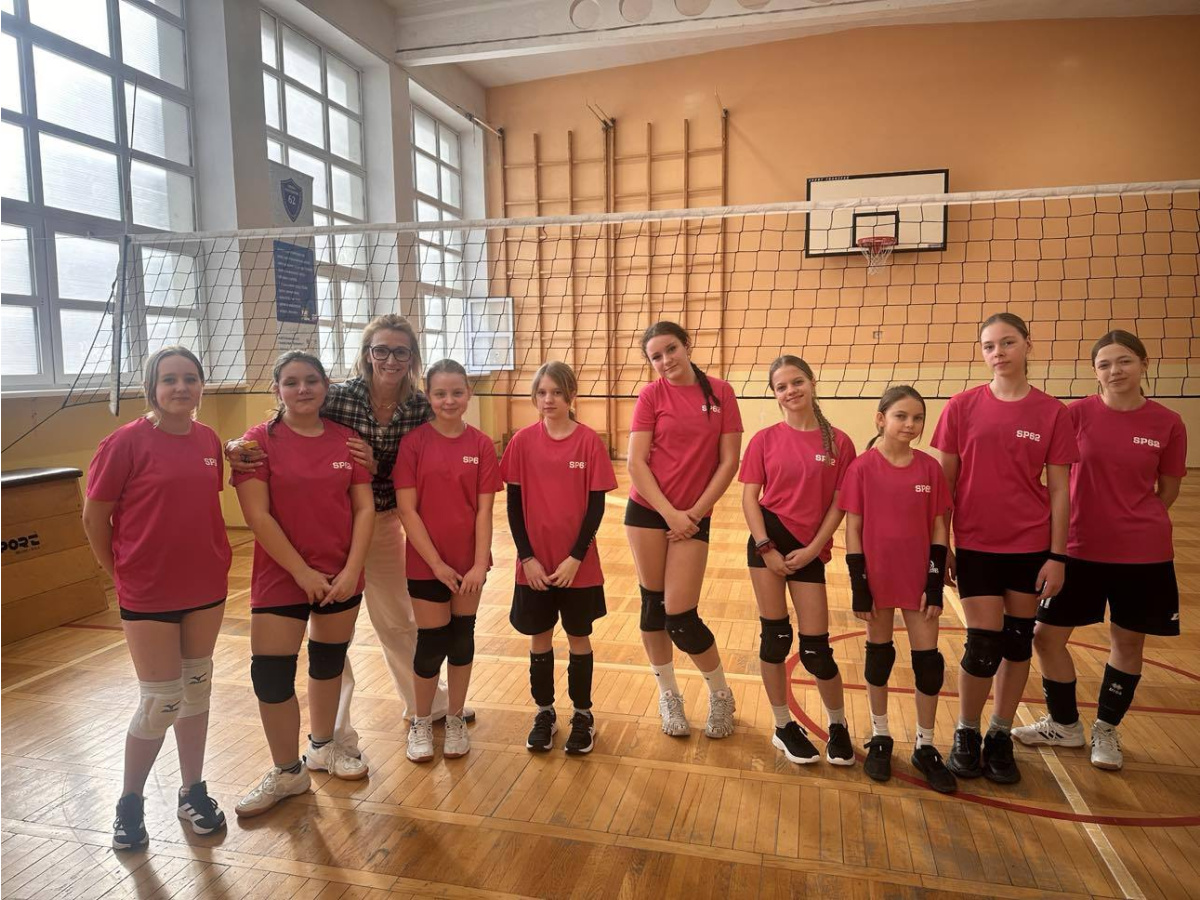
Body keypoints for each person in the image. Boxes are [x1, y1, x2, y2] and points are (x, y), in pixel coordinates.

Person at [225, 315, 469, 757]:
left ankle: (426, 703)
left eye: (400, 351)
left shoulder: (420, 406)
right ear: (367, 354)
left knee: (396, 618)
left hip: (386, 518)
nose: (390, 359)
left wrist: (379, 466)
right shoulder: (337, 397)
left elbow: (428, 459)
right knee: (335, 634)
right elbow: (288, 421)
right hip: (337, 524)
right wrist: (232, 446)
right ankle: (334, 730)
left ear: (412, 357)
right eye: (381, 350)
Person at [1014, 330, 1187, 770]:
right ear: (1095, 372)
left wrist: (1130, 521)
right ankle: (1065, 724)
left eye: (1125, 361)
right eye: (1105, 364)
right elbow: (1052, 479)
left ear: (1144, 364)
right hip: (1076, 549)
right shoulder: (1074, 415)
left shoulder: (1168, 422)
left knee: (1126, 642)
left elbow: (1167, 490)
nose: (1115, 371)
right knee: (1045, 637)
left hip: (1143, 554)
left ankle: (1106, 729)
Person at [83, 346, 232, 850]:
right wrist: (121, 574)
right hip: (148, 592)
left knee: (196, 689)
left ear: (201, 385)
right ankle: (129, 801)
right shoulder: (124, 442)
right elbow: (94, 518)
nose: (181, 387)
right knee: (161, 700)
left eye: (190, 378)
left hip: (205, 588)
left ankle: (193, 791)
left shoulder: (208, 439)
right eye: (169, 379)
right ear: (152, 387)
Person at [931, 312, 1078, 784]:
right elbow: (944, 484)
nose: (998, 353)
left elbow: (1060, 490)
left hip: (1031, 546)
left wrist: (1058, 555)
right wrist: (942, 545)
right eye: (989, 345)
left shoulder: (1052, 412)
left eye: (1008, 342)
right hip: (976, 544)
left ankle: (998, 733)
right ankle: (966, 731)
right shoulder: (961, 406)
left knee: (1017, 644)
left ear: (1027, 345)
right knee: (982, 646)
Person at [231, 352, 375, 817]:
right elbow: (257, 515)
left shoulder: (347, 441)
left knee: (328, 662)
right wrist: (301, 573)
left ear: (326, 386)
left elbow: (364, 508)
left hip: (339, 574)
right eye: (291, 382)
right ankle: (287, 771)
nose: (302, 389)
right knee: (271, 675)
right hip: (282, 575)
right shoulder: (256, 443)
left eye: (311, 380)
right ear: (277, 389)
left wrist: (352, 570)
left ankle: (322, 746)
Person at [626, 321, 742, 739]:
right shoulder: (651, 395)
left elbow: (729, 461)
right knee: (653, 609)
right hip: (648, 511)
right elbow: (635, 462)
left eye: (671, 349)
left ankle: (721, 694)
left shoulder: (721, 393)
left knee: (681, 617)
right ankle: (669, 696)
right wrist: (670, 513)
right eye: (656, 356)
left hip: (694, 514)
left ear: (687, 345)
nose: (665, 360)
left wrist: (693, 513)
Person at [740, 355, 857, 766]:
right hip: (768, 543)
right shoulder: (763, 439)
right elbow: (749, 498)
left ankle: (838, 725)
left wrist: (813, 549)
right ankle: (782, 726)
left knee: (816, 651)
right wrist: (765, 548)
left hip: (810, 549)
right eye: (781, 386)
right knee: (775, 639)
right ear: (775, 394)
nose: (790, 391)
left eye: (797, 382)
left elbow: (840, 504)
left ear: (811, 382)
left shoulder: (839, 443)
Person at [840, 386, 957, 792]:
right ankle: (880, 736)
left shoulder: (929, 468)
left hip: (918, 580)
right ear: (881, 419)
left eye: (917, 418)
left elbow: (939, 527)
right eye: (901, 416)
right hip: (877, 579)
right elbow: (853, 529)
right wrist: (859, 585)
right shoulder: (861, 468)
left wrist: (934, 583)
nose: (910, 424)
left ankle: (926, 745)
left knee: (928, 664)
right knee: (879, 658)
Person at [501, 361, 617, 754]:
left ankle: (583, 715)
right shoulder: (521, 442)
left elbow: (596, 508)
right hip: (534, 565)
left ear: (571, 396)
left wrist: (575, 558)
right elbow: (513, 507)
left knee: (578, 637)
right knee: (540, 637)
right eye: (541, 392)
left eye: (556, 392)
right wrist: (527, 558)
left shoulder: (588, 442)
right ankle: (545, 712)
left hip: (577, 566)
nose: (548, 399)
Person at [395, 359, 501, 762]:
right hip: (427, 563)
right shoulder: (414, 444)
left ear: (468, 394)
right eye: (440, 393)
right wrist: (437, 565)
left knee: (461, 639)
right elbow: (407, 510)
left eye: (457, 392)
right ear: (428, 396)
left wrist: (478, 564)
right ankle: (422, 720)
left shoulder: (481, 444)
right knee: (431, 643)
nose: (449, 400)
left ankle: (455, 717)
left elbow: (484, 511)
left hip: (469, 562)